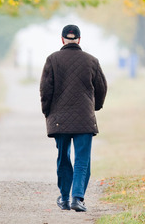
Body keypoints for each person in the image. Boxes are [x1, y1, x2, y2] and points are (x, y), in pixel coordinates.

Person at [39, 24, 108, 212]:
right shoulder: (91, 61)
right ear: (79, 39)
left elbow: (46, 90)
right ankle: (77, 198)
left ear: (62, 40)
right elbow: (101, 88)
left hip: (59, 119)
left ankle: (63, 197)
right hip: (84, 119)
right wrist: (94, 108)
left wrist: (48, 112)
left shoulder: (52, 60)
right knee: (82, 159)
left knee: (63, 157)